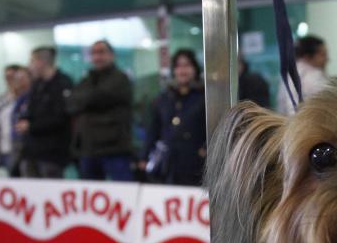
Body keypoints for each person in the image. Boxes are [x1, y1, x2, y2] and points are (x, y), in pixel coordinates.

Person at [67, 40, 134, 181]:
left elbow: (97, 98)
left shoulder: (120, 78)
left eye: (102, 52)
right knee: (90, 194)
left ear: (112, 55)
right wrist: (87, 99)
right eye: (94, 53)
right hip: (88, 148)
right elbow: (71, 102)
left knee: (123, 193)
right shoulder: (86, 80)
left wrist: (85, 100)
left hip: (114, 147)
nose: (97, 57)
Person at [142, 49, 207, 186]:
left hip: (196, 165)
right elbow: (153, 130)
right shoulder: (163, 98)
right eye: (178, 66)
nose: (182, 70)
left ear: (195, 68)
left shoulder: (205, 97)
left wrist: (205, 150)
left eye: (187, 65)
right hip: (168, 164)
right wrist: (144, 156)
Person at [15, 47, 73, 179]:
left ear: (41, 62)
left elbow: (61, 118)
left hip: (52, 153)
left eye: (31, 61)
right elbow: (29, 110)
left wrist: (31, 126)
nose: (29, 67)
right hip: (31, 151)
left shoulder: (63, 83)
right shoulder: (37, 85)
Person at [277, 35, 329, 115]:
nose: (327, 59)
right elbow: (291, 105)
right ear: (307, 57)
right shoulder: (310, 75)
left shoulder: (294, 73)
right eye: (323, 54)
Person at [9, 68, 32, 177]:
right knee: (13, 172)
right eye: (16, 79)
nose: (19, 82)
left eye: (22, 78)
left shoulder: (32, 97)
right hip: (13, 141)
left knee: (26, 172)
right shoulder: (13, 98)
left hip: (26, 142)